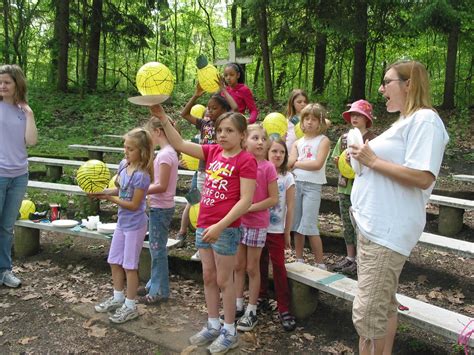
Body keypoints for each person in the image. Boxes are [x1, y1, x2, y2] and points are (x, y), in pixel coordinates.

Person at [350, 60, 449, 355]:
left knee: (367, 315)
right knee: (384, 304)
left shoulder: (426, 121)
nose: (381, 89)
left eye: (387, 82)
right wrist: (359, 158)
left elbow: (423, 176)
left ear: (409, 85)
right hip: (372, 226)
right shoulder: (404, 122)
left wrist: (373, 161)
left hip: (386, 232)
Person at [150, 104, 257, 354]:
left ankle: (229, 331)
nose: (222, 134)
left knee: (224, 280)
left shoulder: (246, 160)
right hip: (204, 225)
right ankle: (212, 324)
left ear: (242, 135)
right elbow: (180, 145)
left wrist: (220, 226)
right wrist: (163, 117)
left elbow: (246, 201)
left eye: (229, 130)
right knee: (208, 277)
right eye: (220, 130)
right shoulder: (213, 152)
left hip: (225, 229)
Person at [93, 128, 154, 324]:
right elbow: (120, 189)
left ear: (142, 152)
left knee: (129, 266)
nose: (125, 152)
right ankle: (118, 297)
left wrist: (111, 199)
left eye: (130, 149)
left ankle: (130, 305)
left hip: (135, 225)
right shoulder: (123, 165)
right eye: (125, 147)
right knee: (114, 260)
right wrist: (103, 192)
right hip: (122, 222)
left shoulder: (142, 175)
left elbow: (134, 204)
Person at [177, 82, 237, 262]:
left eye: (214, 108)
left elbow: (235, 108)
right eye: (208, 108)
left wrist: (224, 90)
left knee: (210, 206)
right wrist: (195, 95)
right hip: (202, 170)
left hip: (218, 171)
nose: (209, 111)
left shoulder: (222, 124)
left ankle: (213, 242)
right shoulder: (204, 124)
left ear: (223, 110)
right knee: (196, 203)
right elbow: (184, 114)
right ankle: (196, 241)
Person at [233, 124, 278, 332]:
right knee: (238, 266)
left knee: (252, 267)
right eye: (255, 138)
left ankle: (252, 310)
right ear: (244, 140)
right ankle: (238, 304)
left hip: (257, 223)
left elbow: (273, 199)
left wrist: (249, 207)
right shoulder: (240, 163)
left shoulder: (268, 167)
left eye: (263, 138)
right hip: (239, 222)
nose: (260, 142)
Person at [0, 64, 38, 288]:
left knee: (6, 227)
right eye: (0, 82)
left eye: (7, 82)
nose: (2, 86)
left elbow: (31, 141)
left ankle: (5, 271)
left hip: (19, 175)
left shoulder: (24, 110)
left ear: (17, 84)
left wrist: (30, 114)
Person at [329, 100, 376, 275]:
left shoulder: (373, 140)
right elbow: (337, 159)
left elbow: (374, 164)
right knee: (347, 224)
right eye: (352, 115)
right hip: (345, 187)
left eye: (359, 115)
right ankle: (350, 257)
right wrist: (338, 161)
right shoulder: (344, 139)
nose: (355, 118)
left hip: (364, 190)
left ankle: (362, 260)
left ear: (367, 118)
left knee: (361, 225)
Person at [138, 116, 179, 304]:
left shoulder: (165, 155)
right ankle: (153, 283)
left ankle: (159, 291)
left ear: (157, 132)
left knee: (157, 250)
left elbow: (161, 185)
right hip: (159, 207)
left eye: (150, 134)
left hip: (160, 208)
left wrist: (139, 190)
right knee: (156, 248)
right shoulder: (166, 153)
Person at [259, 138, 296, 331]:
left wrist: (287, 232)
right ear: (267, 152)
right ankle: (261, 297)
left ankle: (284, 307)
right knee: (259, 264)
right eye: (274, 151)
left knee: (279, 267)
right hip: (258, 228)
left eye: (282, 152)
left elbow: (290, 207)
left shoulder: (287, 177)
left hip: (276, 231)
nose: (278, 155)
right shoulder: (261, 171)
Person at [288, 103, 330, 269]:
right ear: (302, 122)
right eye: (306, 119)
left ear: (320, 123)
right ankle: (299, 258)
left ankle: (320, 262)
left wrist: (297, 163)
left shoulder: (323, 140)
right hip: (296, 184)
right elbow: (290, 163)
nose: (310, 122)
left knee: (310, 224)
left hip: (313, 185)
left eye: (314, 119)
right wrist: (295, 163)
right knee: (297, 224)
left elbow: (317, 164)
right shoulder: (297, 143)